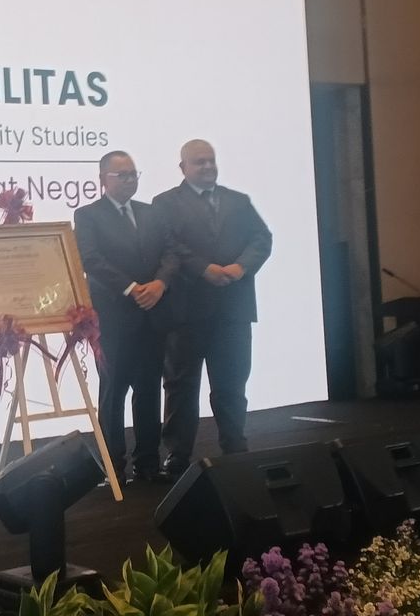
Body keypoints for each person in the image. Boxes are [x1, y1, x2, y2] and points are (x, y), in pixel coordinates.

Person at [153, 140, 272, 472]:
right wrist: (203, 269)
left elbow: (262, 238)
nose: (207, 167)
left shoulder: (239, 201)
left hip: (233, 310)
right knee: (181, 386)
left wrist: (242, 267)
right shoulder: (164, 203)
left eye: (211, 160)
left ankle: (235, 447)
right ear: (183, 168)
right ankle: (177, 455)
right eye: (199, 162)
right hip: (186, 312)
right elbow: (168, 245)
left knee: (232, 384)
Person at [73, 151, 179, 484]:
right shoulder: (88, 215)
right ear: (102, 179)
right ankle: (113, 465)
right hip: (114, 317)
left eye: (134, 174)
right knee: (113, 391)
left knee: (148, 389)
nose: (130, 180)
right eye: (122, 175)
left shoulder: (151, 212)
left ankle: (148, 463)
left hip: (152, 313)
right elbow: (91, 260)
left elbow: (171, 252)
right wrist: (133, 288)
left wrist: (160, 284)